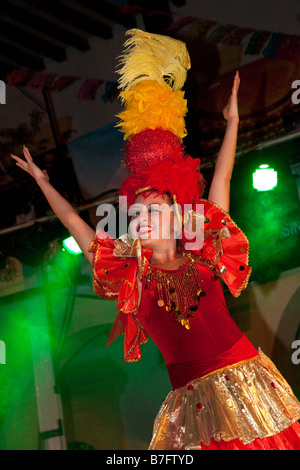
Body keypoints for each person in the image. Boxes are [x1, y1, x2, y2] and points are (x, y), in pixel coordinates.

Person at [12, 29, 300, 450]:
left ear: (178, 215)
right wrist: (43, 182)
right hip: (191, 408)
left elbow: (222, 180)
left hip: (245, 384)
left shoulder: (204, 251)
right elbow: (77, 225)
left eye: (152, 211)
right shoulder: (132, 276)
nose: (141, 220)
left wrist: (233, 121)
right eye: (136, 213)